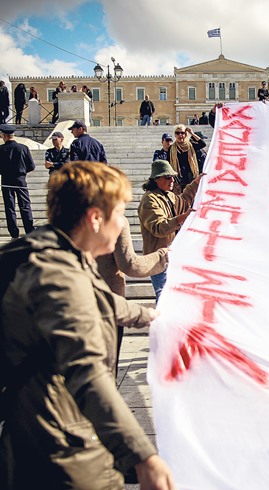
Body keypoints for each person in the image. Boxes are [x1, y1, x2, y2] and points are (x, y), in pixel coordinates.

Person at [0, 161, 177, 490]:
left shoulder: (59, 257)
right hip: (59, 469)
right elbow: (87, 373)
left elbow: (102, 300)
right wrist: (143, 456)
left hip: (48, 446)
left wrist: (150, 316)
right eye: (119, 215)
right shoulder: (57, 277)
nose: (123, 225)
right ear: (96, 218)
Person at [95, 217, 168, 378]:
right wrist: (162, 256)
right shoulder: (114, 220)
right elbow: (129, 264)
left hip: (78, 303)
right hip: (109, 305)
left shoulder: (66, 218)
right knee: (105, 371)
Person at [138, 160, 200, 302]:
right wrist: (181, 218)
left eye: (173, 177)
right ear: (156, 179)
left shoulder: (168, 195)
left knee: (173, 298)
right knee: (165, 299)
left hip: (171, 254)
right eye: (167, 177)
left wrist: (196, 183)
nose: (172, 180)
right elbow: (159, 228)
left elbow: (183, 201)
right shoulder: (149, 200)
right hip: (158, 259)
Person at [0, 124, 35, 239]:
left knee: (9, 207)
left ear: (3, 136)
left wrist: (5, 171)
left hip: (6, 180)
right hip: (20, 179)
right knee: (25, 205)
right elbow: (31, 166)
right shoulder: (23, 148)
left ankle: (14, 233)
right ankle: (29, 230)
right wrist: (22, 171)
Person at [168, 124, 203, 191]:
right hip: (179, 176)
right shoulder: (171, 148)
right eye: (177, 133)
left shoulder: (191, 145)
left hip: (191, 175)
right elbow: (168, 162)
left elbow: (202, 144)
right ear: (175, 135)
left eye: (182, 133)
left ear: (185, 134)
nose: (180, 135)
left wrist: (192, 133)